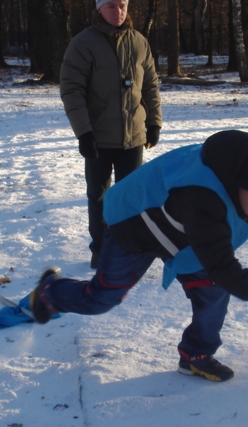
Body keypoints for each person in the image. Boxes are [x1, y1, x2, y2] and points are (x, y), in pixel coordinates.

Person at [17, 131, 248, 383]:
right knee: (103, 298)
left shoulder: (245, 167)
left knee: (212, 292)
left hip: (182, 233)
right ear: (237, 181)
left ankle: (196, 354)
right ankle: (50, 293)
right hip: (135, 225)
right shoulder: (203, 200)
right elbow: (227, 271)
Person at [59, 0, 163, 270]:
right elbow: (72, 90)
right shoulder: (83, 44)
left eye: (123, 5)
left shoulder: (139, 42)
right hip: (98, 138)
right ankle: (101, 248)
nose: (118, 11)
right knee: (100, 196)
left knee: (131, 198)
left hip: (133, 137)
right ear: (99, 9)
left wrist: (153, 123)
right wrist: (84, 133)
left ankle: (129, 248)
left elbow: (150, 85)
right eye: (111, 6)